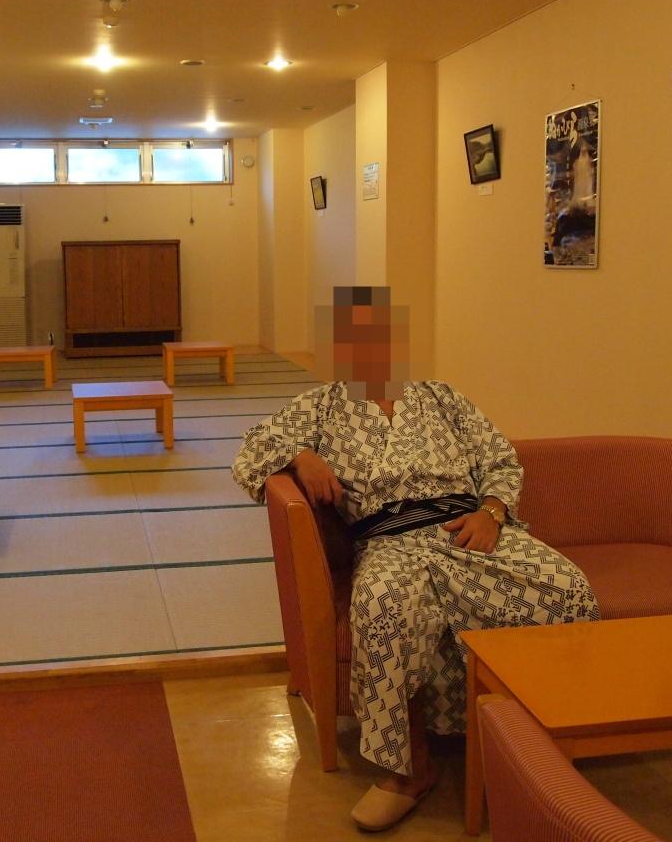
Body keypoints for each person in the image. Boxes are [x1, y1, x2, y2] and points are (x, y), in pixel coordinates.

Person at [232, 286, 600, 831]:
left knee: (567, 589)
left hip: (466, 528)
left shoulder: (442, 397)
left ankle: (539, 740)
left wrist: (491, 514)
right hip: (390, 542)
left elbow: (500, 459)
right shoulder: (322, 405)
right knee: (382, 607)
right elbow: (249, 450)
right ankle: (408, 770)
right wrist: (300, 455)